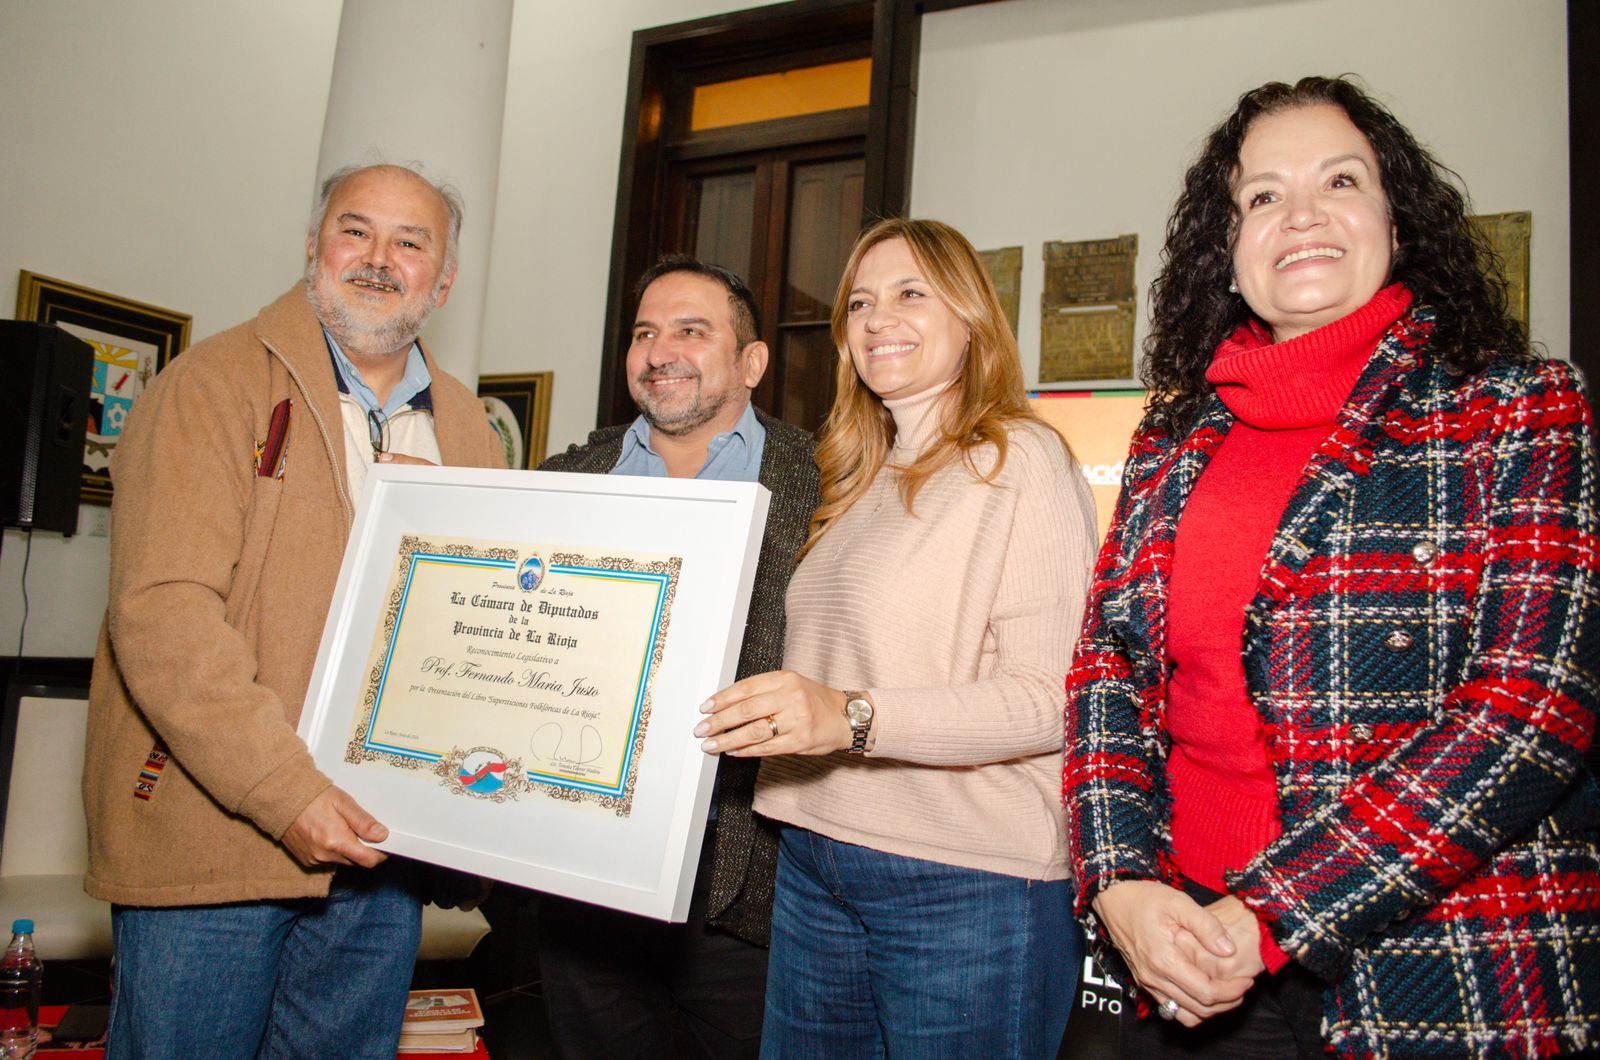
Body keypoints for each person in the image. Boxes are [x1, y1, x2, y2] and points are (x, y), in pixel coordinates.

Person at [1064, 76, 1600, 1059]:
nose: (1300, 215)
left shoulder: (1516, 406)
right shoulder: (1170, 437)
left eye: (1339, 180)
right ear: (1225, 247)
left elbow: (1530, 713)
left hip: (1430, 971)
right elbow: (1108, 671)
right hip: (1178, 952)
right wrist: (1118, 879)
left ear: (1396, 219)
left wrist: (1266, 914)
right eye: (1262, 195)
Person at [83, 162, 506, 1057]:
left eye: (411, 241)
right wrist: (286, 791)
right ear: (313, 246)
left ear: (446, 278)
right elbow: (164, 613)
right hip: (214, 842)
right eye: (356, 230)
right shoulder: (210, 386)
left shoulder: (470, 428)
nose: (379, 259)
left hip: (382, 858)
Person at [698, 218, 1097, 1058]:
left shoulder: (1019, 458)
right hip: (815, 856)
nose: (879, 318)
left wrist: (850, 717)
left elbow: (1051, 702)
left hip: (965, 882)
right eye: (861, 303)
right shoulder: (859, 473)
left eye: (912, 293)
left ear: (972, 319)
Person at [535, 256, 820, 1059]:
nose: (660, 350)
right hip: (583, 879)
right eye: (644, 333)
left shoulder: (830, 481)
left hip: (748, 882)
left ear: (752, 362)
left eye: (692, 331)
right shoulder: (566, 479)